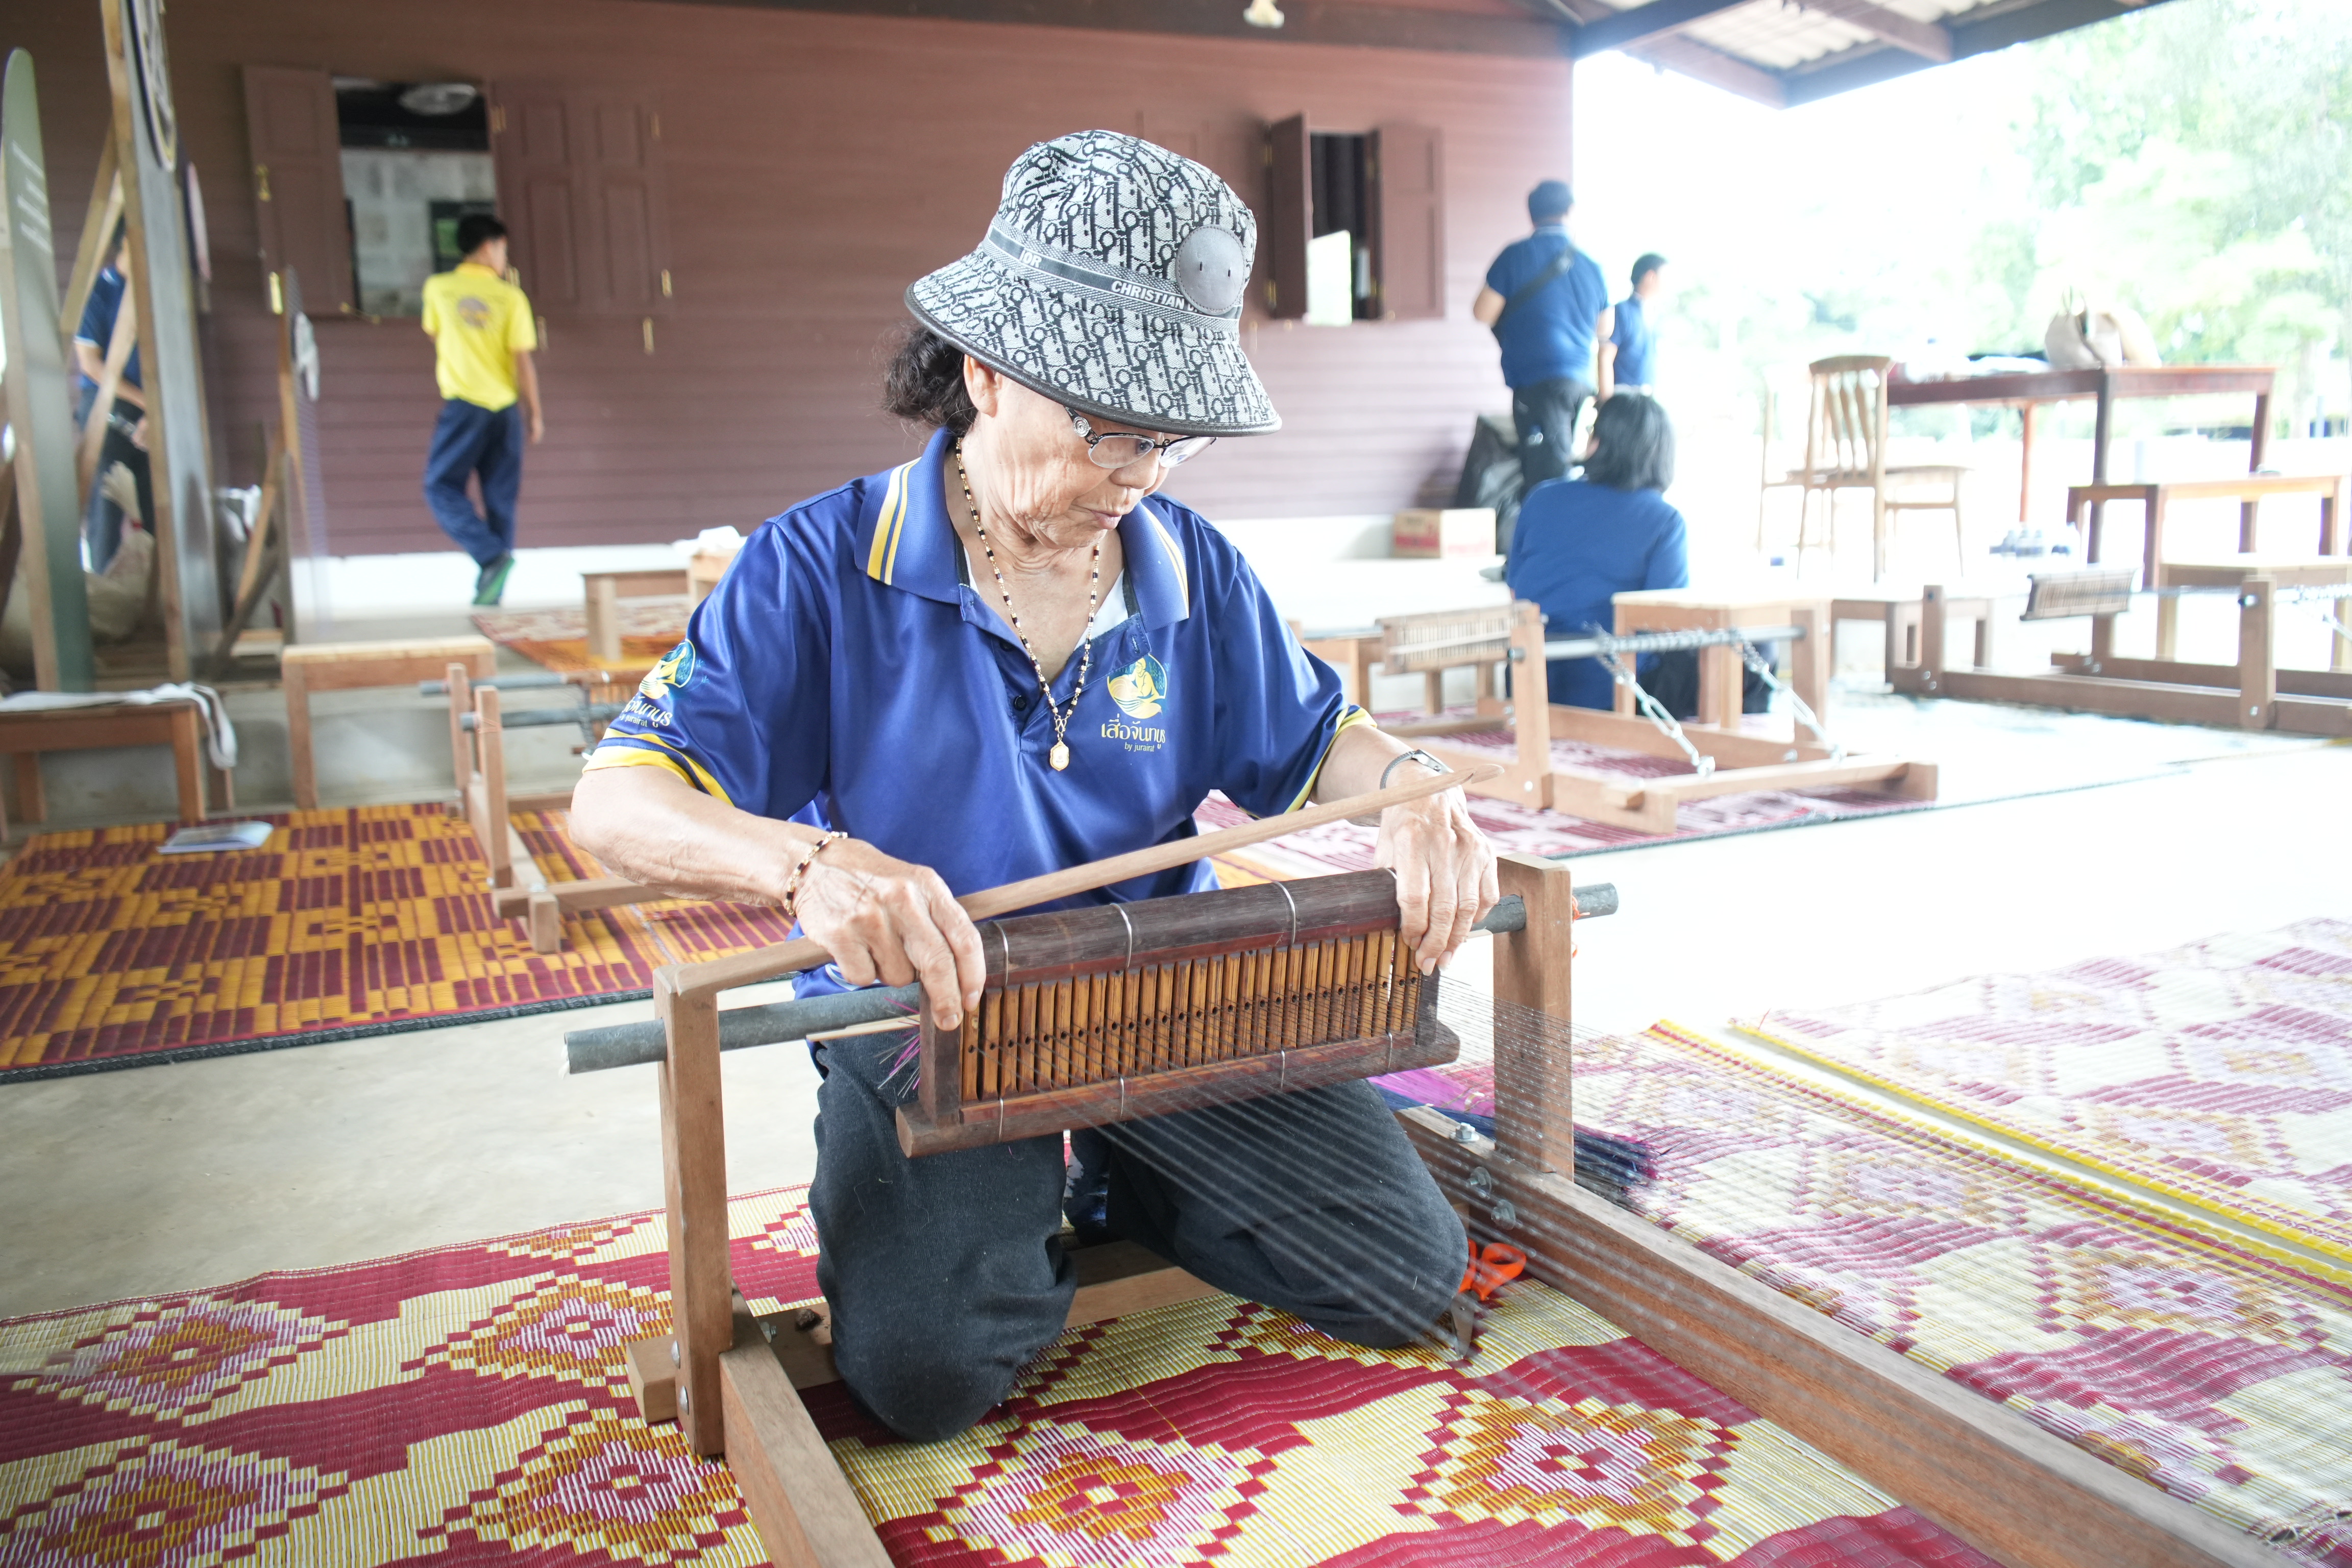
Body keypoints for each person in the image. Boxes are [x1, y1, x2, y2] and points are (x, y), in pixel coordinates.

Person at [569, 131, 1497, 1446]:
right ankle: (1007, 1201)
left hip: (1156, 991)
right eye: (1108, 432)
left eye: (1170, 443)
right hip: (932, 1010)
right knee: (930, 1372)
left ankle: (1121, 1160)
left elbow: (1317, 740)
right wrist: (806, 865)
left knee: (1400, 1273)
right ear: (986, 374)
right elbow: (612, 799)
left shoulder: (1191, 566)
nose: (1137, 477)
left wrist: (1409, 785)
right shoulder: (822, 566)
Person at [1505, 394, 1688, 712]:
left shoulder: (1542, 498)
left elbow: (1516, 591)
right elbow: (1668, 618)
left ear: (1598, 441)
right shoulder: (1664, 520)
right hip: (1615, 691)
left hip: (1529, 680)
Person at [420, 214, 542, 606]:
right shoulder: (511, 297)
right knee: (500, 498)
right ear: (490, 247)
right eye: (504, 249)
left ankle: (491, 559)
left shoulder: (439, 289)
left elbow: (436, 332)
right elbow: (522, 360)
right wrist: (535, 412)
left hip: (464, 406)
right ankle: (495, 582)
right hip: (505, 410)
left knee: (440, 486)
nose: (504, 258)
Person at [1471, 180, 1612, 491]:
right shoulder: (1593, 267)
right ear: (1569, 212)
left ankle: (1548, 537)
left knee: (1545, 479)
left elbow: (1482, 312)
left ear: (1532, 215)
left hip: (1537, 383)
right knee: (1561, 466)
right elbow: (1606, 331)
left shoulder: (1515, 256)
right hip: (1579, 383)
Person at [71, 235, 153, 573]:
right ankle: (103, 585)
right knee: (106, 505)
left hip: (149, 411)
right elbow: (90, 364)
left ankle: (155, 594)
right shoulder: (99, 290)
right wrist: (145, 401)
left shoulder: (152, 294)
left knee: (154, 504)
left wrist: (154, 412)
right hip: (106, 406)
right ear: (126, 243)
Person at [1604, 253, 1666, 394]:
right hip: (1622, 396)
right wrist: (1605, 400)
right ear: (1651, 276)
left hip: (1646, 397)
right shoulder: (1622, 311)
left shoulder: (1657, 315)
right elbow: (1606, 356)